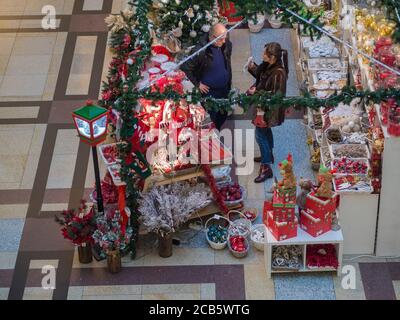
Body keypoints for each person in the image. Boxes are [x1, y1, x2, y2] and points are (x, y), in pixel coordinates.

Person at [247, 42, 289, 183]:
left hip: (268, 110)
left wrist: (257, 91)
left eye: (265, 54)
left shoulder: (279, 73)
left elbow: (276, 95)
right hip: (262, 107)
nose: (262, 55)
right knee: (264, 132)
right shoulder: (269, 66)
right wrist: (252, 67)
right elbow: (262, 76)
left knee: (260, 135)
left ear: (272, 57)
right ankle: (268, 155)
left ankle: (266, 168)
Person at [181, 23, 232, 131]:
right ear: (213, 37)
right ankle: (214, 136)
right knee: (212, 118)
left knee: (223, 114)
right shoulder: (200, 51)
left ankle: (218, 129)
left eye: (225, 38)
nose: (224, 41)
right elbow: (185, 66)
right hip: (210, 93)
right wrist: (197, 84)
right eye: (221, 39)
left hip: (225, 89)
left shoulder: (226, 45)